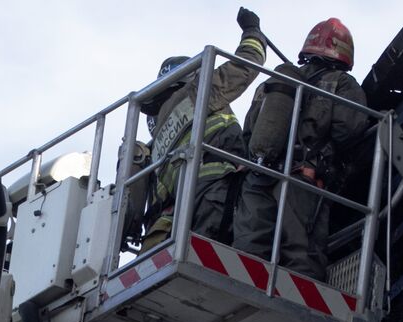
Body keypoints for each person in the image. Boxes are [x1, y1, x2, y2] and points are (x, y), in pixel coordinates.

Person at [233, 18, 369, 282]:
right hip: (301, 179)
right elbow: (349, 130)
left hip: (257, 175)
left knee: (249, 251)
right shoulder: (342, 83)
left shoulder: (272, 84)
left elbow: (249, 130)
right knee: (301, 255)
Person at [139, 7, 266, 252]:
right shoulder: (197, 93)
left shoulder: (159, 134)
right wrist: (253, 31)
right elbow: (247, 64)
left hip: (182, 210)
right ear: (192, 77)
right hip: (216, 191)